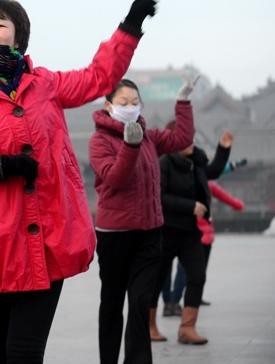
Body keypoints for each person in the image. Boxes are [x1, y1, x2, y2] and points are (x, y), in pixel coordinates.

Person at [0, 0, 158, 364]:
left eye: (0, 23)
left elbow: (99, 77)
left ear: (18, 38)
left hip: (44, 243)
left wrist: (129, 28)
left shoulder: (44, 85)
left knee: (25, 353)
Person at [89, 77, 196, 363]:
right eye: (123, 103)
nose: (130, 108)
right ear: (109, 106)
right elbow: (116, 178)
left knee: (139, 301)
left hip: (150, 233)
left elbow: (182, 139)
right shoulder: (99, 141)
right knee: (112, 303)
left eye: (135, 103)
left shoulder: (149, 136)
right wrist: (129, 146)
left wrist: (183, 102)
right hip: (114, 235)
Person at [151, 128, 233, 345]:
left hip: (189, 232)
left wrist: (223, 148)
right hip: (165, 231)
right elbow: (161, 196)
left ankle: (187, 328)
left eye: (193, 138)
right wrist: (191, 206)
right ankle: (149, 326)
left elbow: (213, 171)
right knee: (157, 280)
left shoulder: (195, 162)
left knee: (197, 276)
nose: (192, 142)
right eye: (187, 138)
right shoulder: (165, 163)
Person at [161, 159, 246, 316]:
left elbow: (214, 169)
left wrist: (232, 164)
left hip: (178, 230)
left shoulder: (173, 178)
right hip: (196, 234)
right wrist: (238, 204)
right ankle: (175, 302)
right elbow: (214, 172)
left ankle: (169, 302)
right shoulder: (204, 182)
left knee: (169, 270)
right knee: (190, 273)